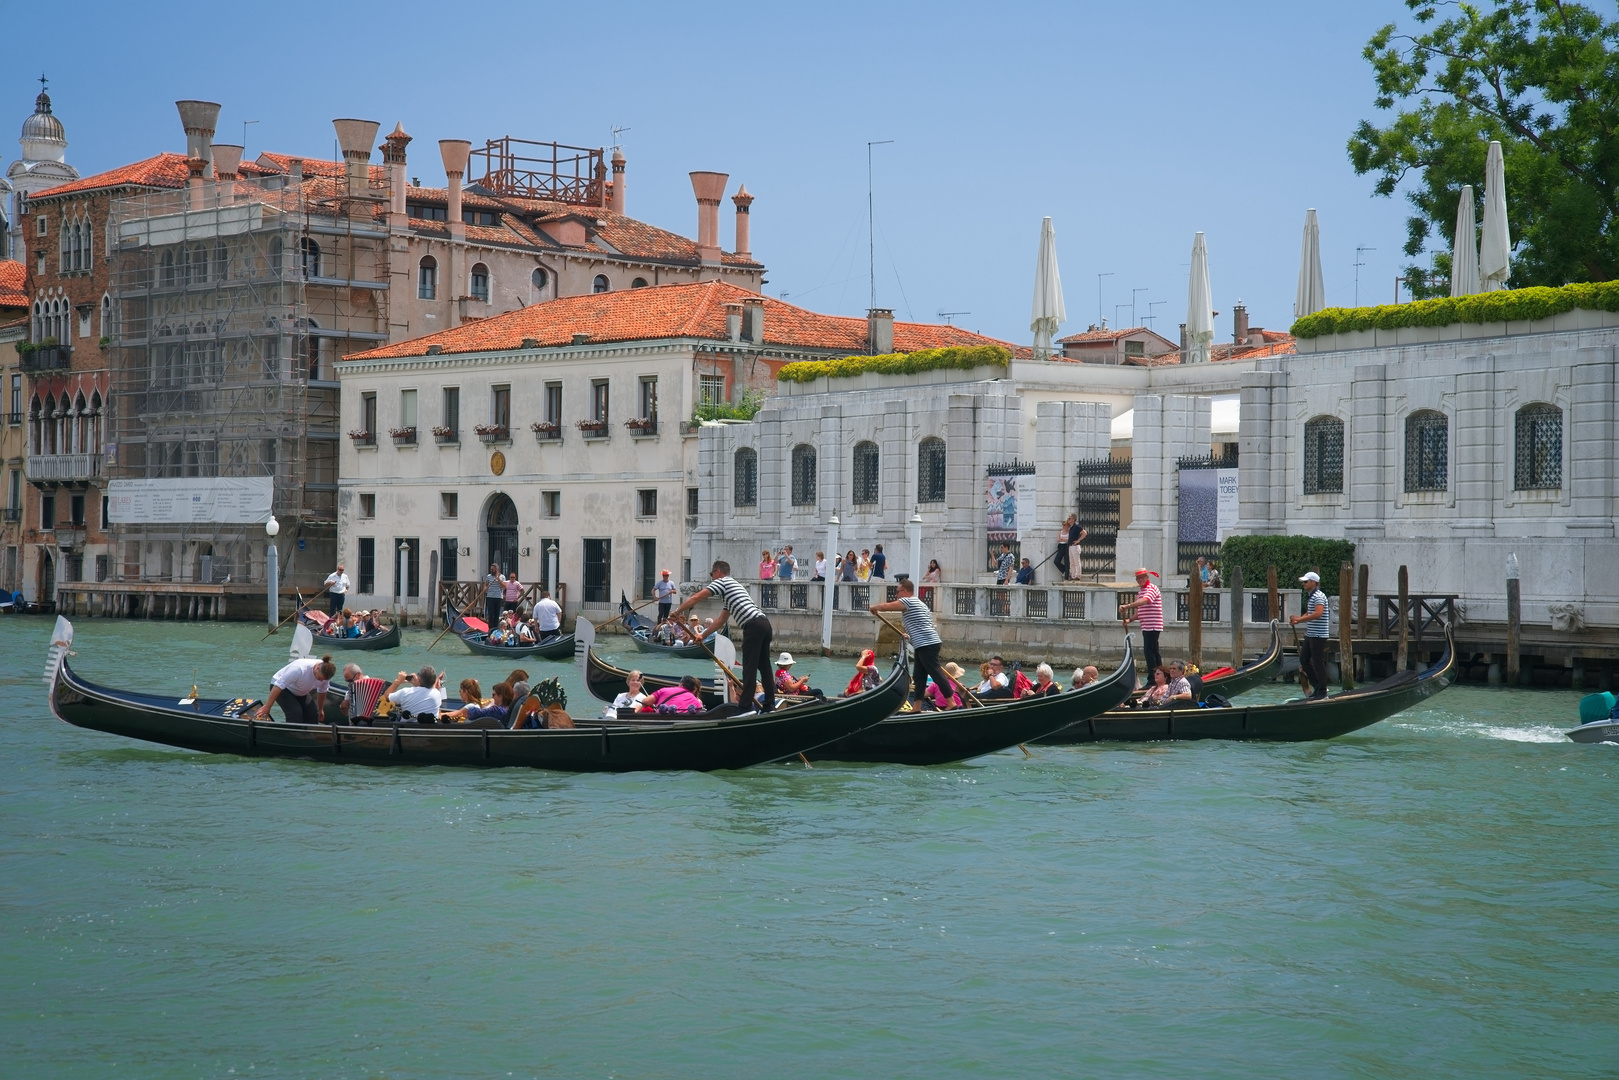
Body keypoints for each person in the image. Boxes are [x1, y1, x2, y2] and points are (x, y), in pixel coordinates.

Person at [669, 559, 775, 714]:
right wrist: (702, 635)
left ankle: (745, 707)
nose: (712, 578)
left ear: (718, 572)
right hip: (764, 624)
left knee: (749, 668)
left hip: (752, 626)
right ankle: (769, 706)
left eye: (712, 574)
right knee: (764, 667)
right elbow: (720, 620)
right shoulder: (733, 589)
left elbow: (697, 597)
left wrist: (677, 611)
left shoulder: (723, 582)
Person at [870, 578, 954, 707]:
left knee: (935, 672)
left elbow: (887, 607)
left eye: (897, 592)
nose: (896, 595)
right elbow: (923, 624)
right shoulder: (921, 604)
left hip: (926, 643)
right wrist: (909, 636)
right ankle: (917, 706)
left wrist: (875, 607)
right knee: (919, 676)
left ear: (905, 591)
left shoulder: (908, 601)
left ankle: (951, 702)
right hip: (924, 643)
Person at [257, 654, 337, 724]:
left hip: (301, 691)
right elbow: (279, 685)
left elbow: (322, 691)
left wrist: (320, 709)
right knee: (295, 713)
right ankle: (293, 736)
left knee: (313, 713)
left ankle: (308, 736)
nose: (321, 681)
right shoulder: (299, 669)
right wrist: (267, 707)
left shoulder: (326, 674)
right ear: (317, 669)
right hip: (282, 688)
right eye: (319, 678)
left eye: (323, 680)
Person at [1290, 571, 1331, 701]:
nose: (1303, 584)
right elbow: (1311, 612)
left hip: (1318, 635)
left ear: (1313, 582)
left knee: (1318, 663)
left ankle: (1322, 691)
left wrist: (1300, 620)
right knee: (1304, 660)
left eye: (1306, 582)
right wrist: (1298, 619)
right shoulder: (1311, 596)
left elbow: (1318, 613)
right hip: (1311, 634)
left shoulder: (1318, 596)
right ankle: (1317, 687)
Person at [1120, 567, 1164, 676]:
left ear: (1147, 577)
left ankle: (1153, 679)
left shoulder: (1152, 588)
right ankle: (1160, 676)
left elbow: (1145, 601)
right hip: (1146, 626)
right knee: (1152, 652)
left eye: (1142, 578)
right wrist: (1129, 619)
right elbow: (1140, 612)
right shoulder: (1141, 592)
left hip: (1153, 625)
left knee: (1150, 653)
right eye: (1138, 578)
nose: (1140, 580)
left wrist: (1127, 606)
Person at [445, 682, 514, 727]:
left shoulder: (496, 710)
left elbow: (472, 713)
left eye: (494, 695)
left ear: (501, 696)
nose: (492, 697)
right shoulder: (507, 709)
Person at [641, 674, 706, 715]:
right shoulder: (697, 703)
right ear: (694, 689)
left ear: (681, 684)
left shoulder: (664, 690)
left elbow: (645, 702)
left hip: (660, 723)